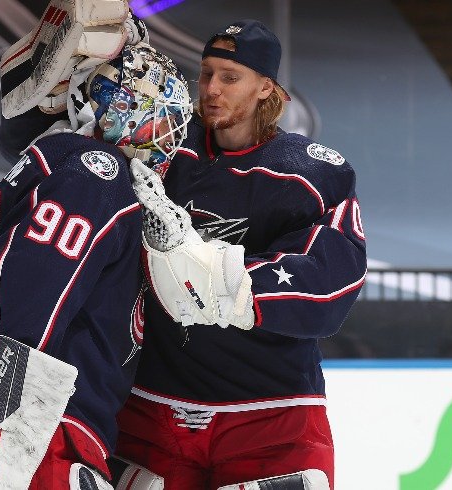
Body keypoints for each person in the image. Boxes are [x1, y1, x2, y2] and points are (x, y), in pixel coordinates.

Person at [0, 12, 193, 488]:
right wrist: (2, 392)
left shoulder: (69, 162)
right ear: (118, 112)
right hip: (34, 424)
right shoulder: (98, 172)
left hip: (47, 424)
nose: (165, 140)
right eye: (157, 122)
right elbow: (31, 277)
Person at [114, 19, 368, 490]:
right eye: (206, 73)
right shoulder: (162, 152)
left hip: (272, 417)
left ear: (265, 87)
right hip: (153, 412)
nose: (212, 89)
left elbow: (332, 283)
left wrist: (217, 276)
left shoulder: (309, 174)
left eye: (230, 77)